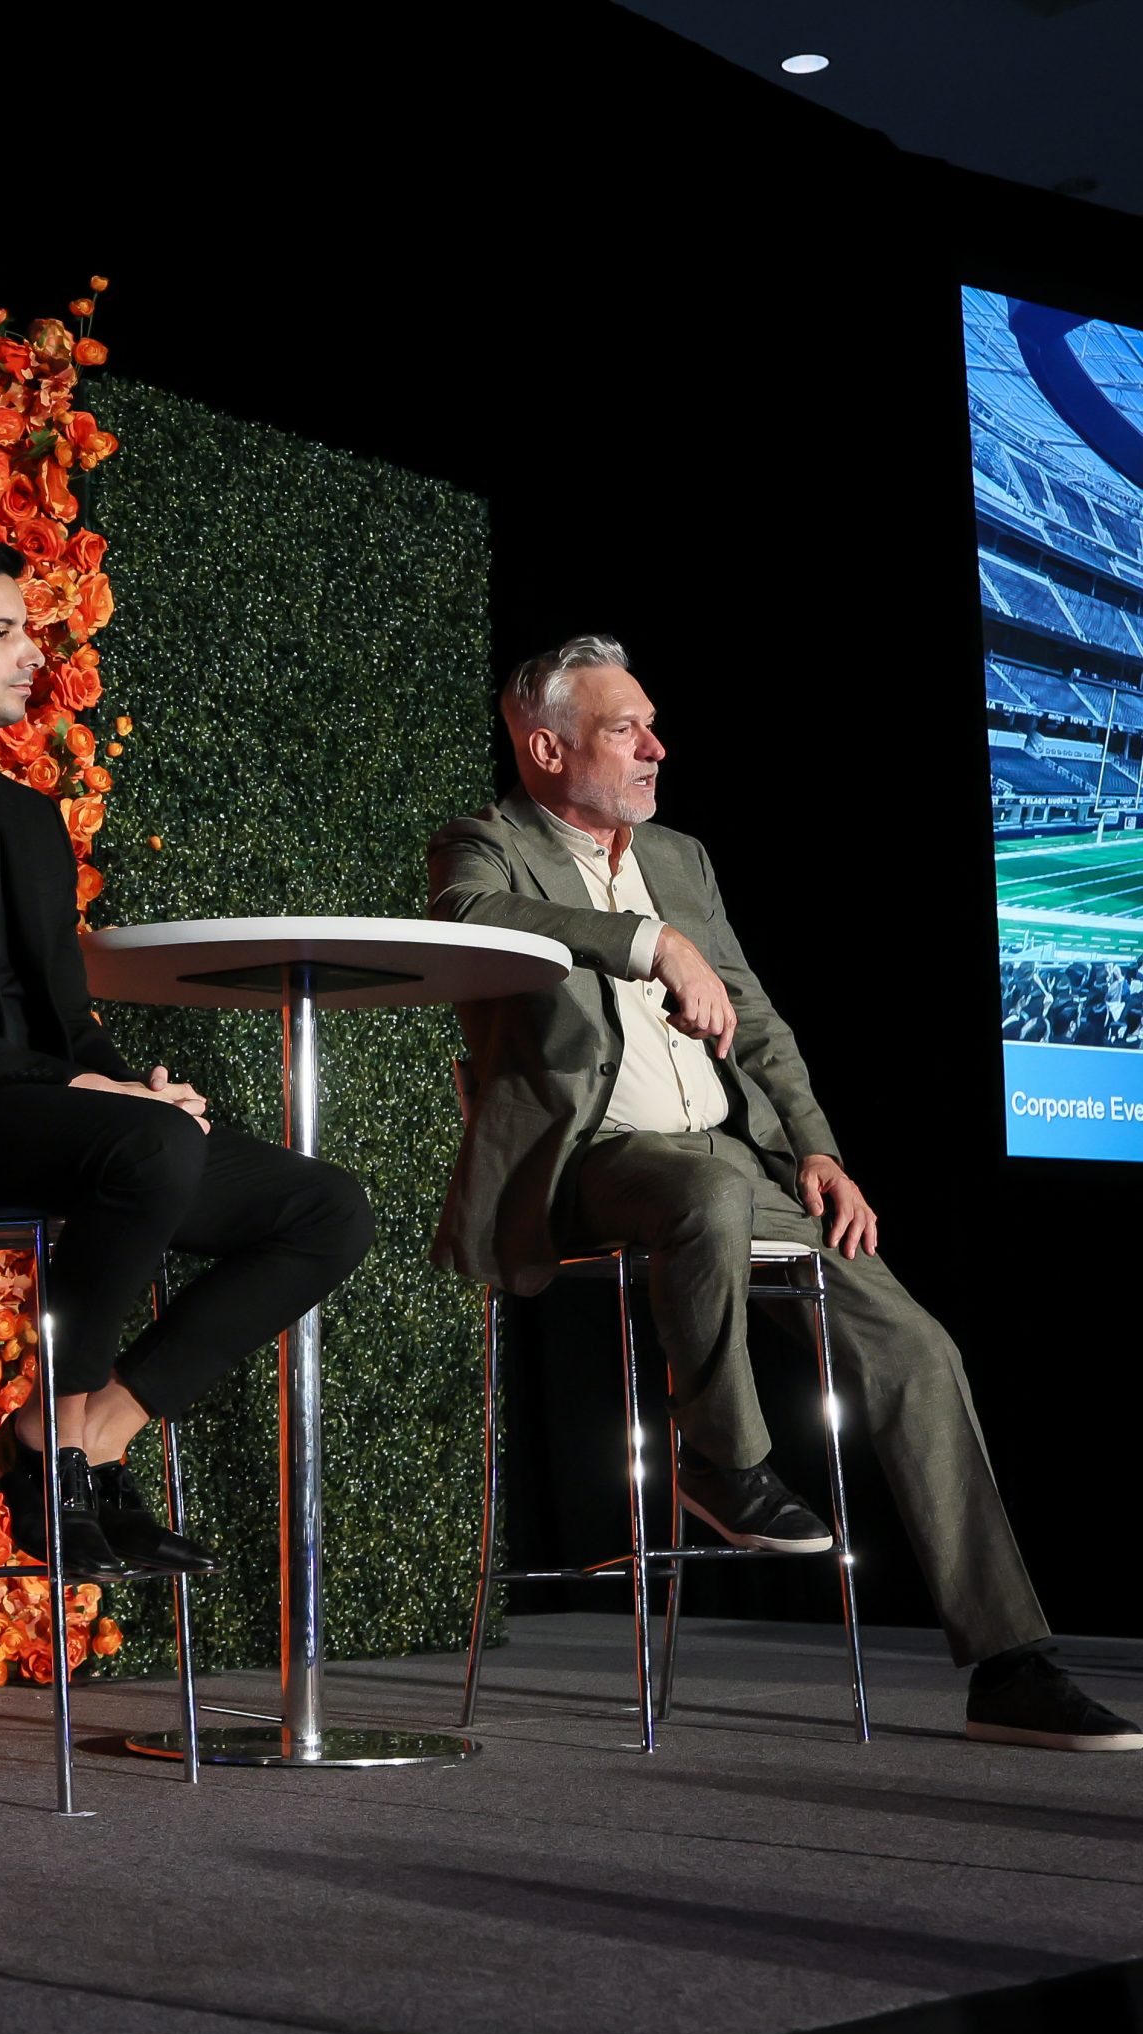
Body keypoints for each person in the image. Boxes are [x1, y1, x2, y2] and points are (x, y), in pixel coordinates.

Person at [428, 633, 1138, 1751]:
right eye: (627, 729)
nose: (656, 748)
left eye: (653, 726)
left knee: (916, 1347)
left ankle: (1010, 1662)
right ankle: (724, 1459)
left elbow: (754, 1019)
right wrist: (648, 943)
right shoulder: (487, 845)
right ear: (548, 748)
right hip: (591, 1166)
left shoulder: (682, 857)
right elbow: (468, 921)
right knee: (700, 1195)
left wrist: (817, 1149)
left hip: (732, 1159)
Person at [0, 540, 375, 1575]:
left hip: (48, 1118)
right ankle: (58, 1453)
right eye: (3, 632)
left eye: (31, 632)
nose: (32, 655)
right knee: (147, 1147)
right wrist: (80, 1088)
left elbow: (62, 1019)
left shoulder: (29, 822)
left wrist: (129, 1083)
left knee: (326, 1207)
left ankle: (86, 1436)